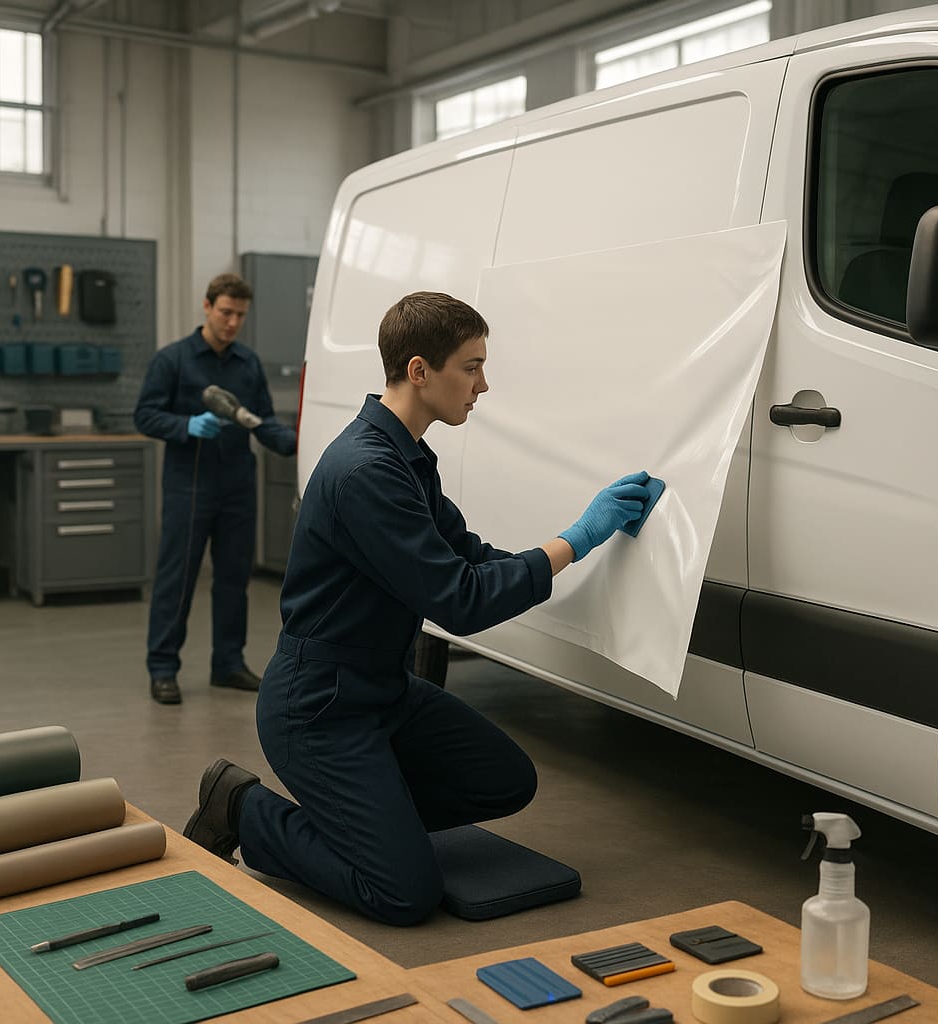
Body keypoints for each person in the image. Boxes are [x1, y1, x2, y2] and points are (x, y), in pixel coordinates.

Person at [182, 291, 651, 924]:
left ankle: (374, 823)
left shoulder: (407, 457)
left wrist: (570, 545)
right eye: (472, 366)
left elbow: (470, 557)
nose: (483, 384)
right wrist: (576, 540)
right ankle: (245, 810)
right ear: (421, 371)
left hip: (380, 691)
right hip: (319, 707)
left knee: (505, 779)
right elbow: (459, 599)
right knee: (403, 894)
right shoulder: (366, 471)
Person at [134, 273, 297, 706]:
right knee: (177, 579)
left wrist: (297, 441)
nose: (232, 322)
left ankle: (228, 664)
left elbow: (261, 418)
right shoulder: (173, 360)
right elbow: (145, 415)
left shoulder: (248, 363)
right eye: (226, 312)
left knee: (232, 580)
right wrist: (185, 425)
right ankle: (164, 668)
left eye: (240, 315)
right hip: (189, 486)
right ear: (207, 307)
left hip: (238, 487)